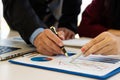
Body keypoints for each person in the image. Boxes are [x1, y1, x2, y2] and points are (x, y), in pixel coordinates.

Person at [2, 0, 82, 56]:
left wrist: (68, 24)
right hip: (23, 26)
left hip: (61, 34)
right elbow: (15, 3)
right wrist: (36, 33)